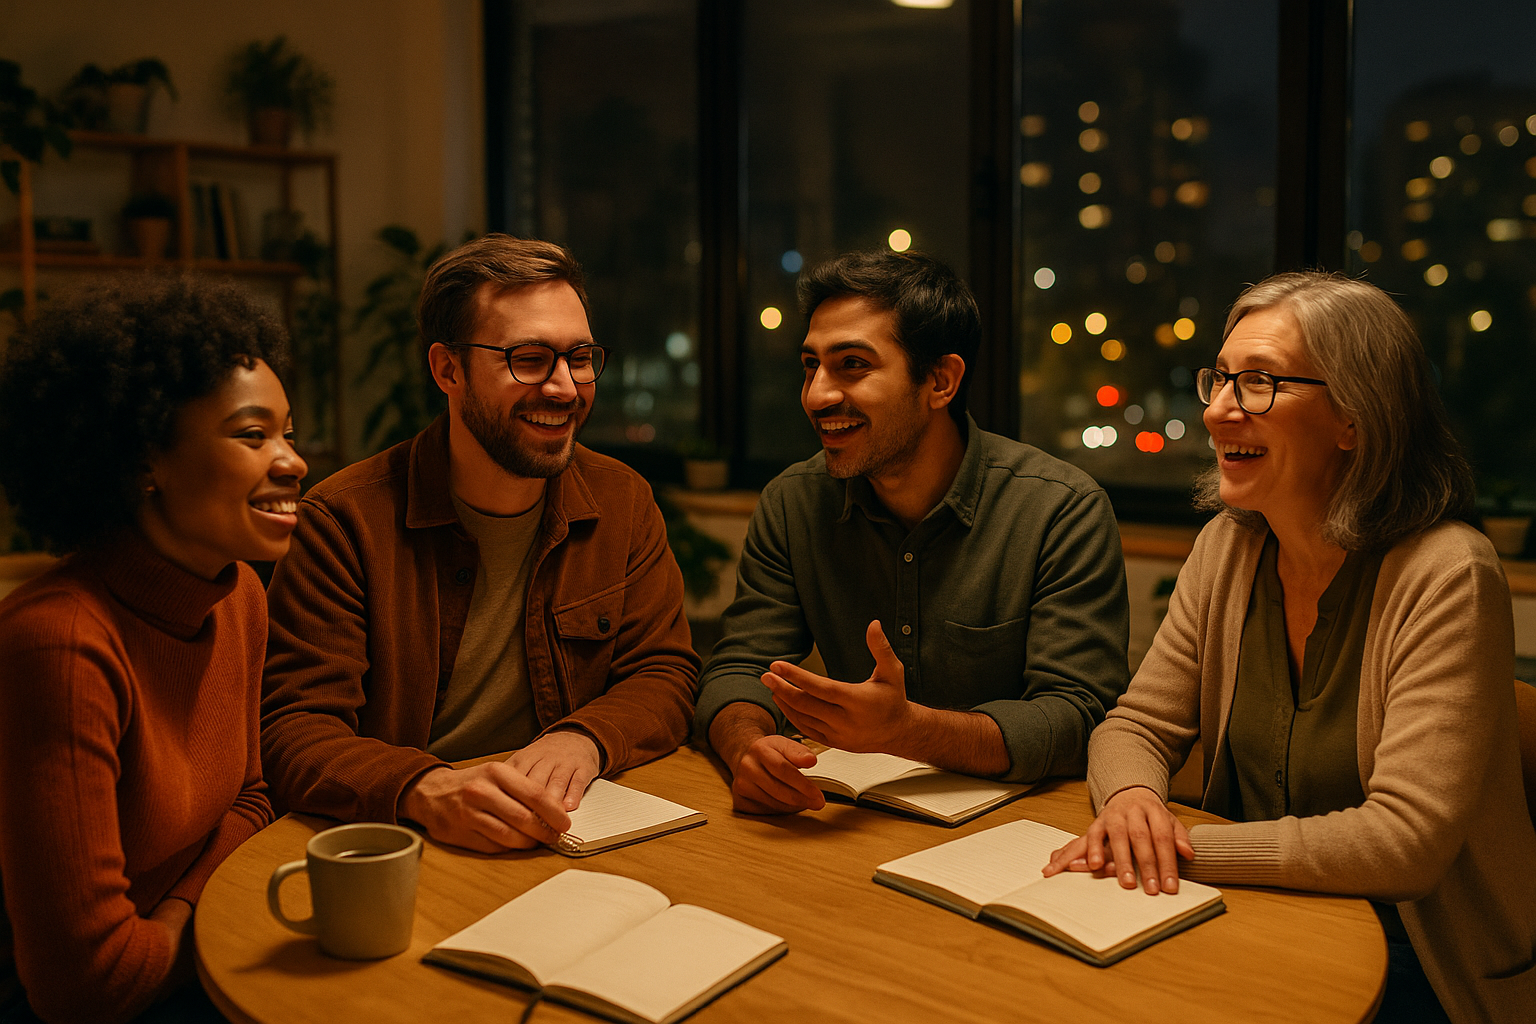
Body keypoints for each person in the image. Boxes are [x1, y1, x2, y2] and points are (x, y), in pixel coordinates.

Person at [1044, 272, 1536, 1023]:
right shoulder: (1228, 547)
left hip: (1426, 957)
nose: (1216, 410)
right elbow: (1136, 725)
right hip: (1264, 913)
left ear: (1356, 419)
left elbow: (1404, 845)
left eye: (1260, 383)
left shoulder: (1449, 572)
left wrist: (1171, 852)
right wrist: (1135, 800)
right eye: (1220, 380)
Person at [261, 234, 699, 853]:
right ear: (448, 370)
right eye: (528, 359)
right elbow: (293, 727)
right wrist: (424, 789)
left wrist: (585, 737)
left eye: (579, 357)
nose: (565, 388)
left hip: (573, 830)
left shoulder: (621, 500)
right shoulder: (343, 523)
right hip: (410, 842)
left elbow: (665, 670)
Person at [694, 250, 1130, 814]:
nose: (818, 395)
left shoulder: (1060, 510)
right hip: (850, 818)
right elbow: (738, 670)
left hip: (1018, 829)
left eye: (852, 364)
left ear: (941, 381)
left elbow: (1078, 715)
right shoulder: (793, 502)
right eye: (810, 365)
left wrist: (907, 731)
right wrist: (748, 746)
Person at [0, 277, 307, 1023]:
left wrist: (175, 911)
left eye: (288, 432)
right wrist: (201, 918)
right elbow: (87, 987)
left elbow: (254, 796)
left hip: (186, 956)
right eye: (251, 434)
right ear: (146, 460)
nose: (293, 461)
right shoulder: (60, 644)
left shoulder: (238, 595)